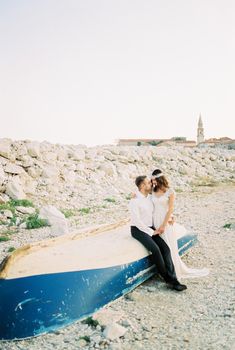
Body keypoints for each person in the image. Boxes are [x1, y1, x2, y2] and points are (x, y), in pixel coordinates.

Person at [129, 175, 187, 292]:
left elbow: (162, 206)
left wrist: (171, 217)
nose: (151, 184)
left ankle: (173, 277)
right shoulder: (134, 201)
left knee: (166, 249)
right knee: (155, 250)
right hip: (138, 230)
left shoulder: (150, 197)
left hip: (150, 228)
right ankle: (170, 280)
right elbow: (137, 221)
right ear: (142, 186)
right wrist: (152, 231)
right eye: (148, 183)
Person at [150, 169, 210, 280]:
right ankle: (163, 270)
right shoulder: (153, 190)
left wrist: (164, 224)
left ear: (160, 179)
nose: (153, 183)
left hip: (165, 220)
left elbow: (170, 209)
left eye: (155, 180)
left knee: (168, 245)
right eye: (152, 181)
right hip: (154, 219)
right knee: (160, 246)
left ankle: (173, 270)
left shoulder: (170, 192)